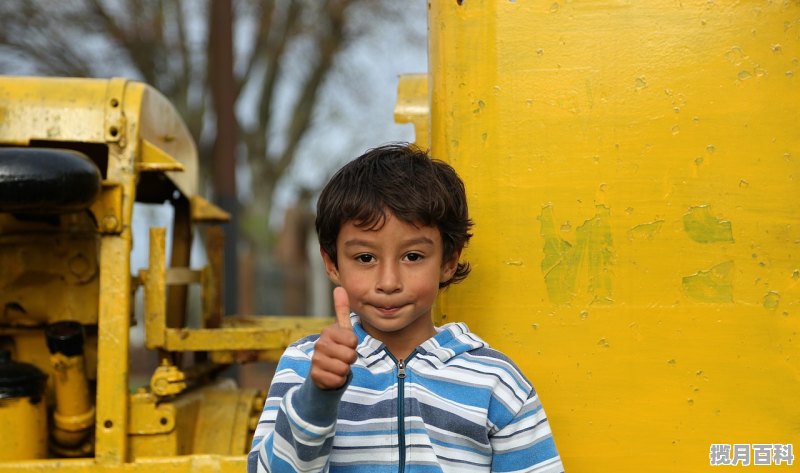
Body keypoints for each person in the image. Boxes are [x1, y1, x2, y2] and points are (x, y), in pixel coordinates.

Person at [248, 143, 564, 472]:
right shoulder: (305, 365)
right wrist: (317, 396)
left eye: (412, 256)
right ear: (332, 263)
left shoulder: (498, 383)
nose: (388, 281)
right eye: (365, 258)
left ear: (448, 261)